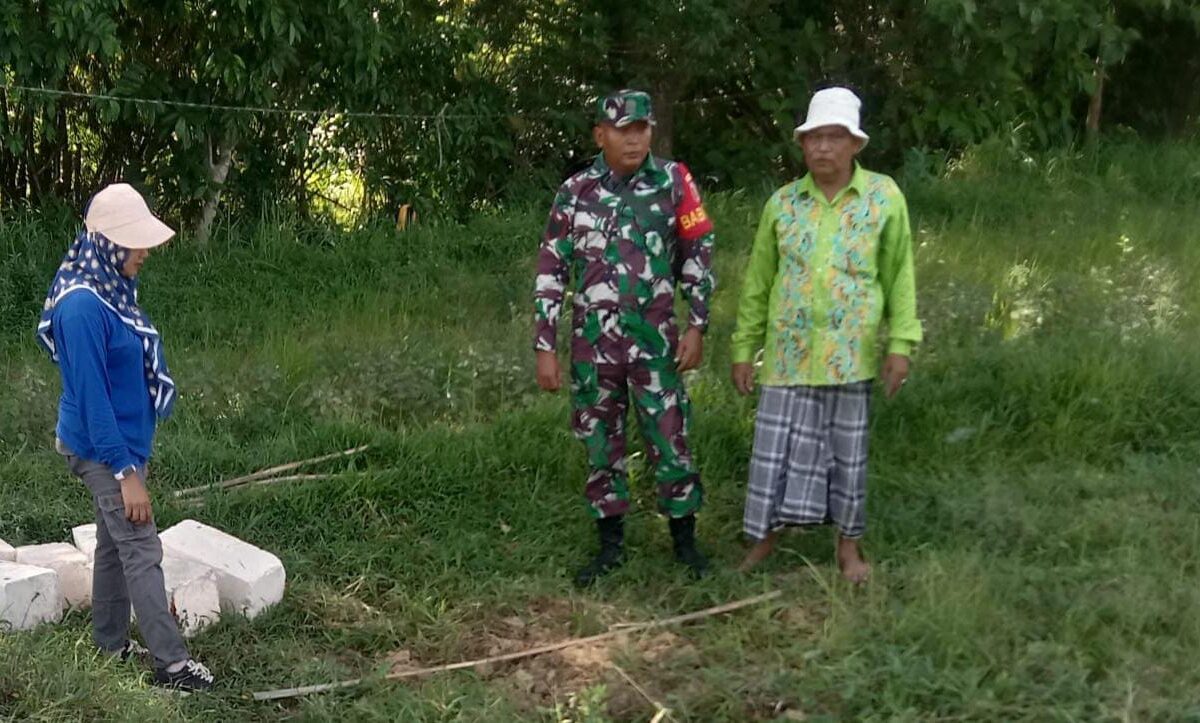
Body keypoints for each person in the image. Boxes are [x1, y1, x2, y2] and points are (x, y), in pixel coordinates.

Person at [730, 87, 922, 582]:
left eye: (834, 137)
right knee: (774, 453)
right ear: (802, 143)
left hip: (849, 356)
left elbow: (899, 274)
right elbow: (758, 281)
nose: (822, 147)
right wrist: (742, 349)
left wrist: (900, 345)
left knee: (847, 456)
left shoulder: (883, 197)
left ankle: (848, 549)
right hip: (787, 354)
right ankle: (765, 539)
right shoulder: (783, 204)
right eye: (814, 136)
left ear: (855, 144)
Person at [35, 183, 215, 692]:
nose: (144, 253)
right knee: (141, 548)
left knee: (115, 548)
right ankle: (173, 668)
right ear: (107, 243)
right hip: (102, 449)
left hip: (123, 445)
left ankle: (110, 645)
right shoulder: (81, 309)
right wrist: (126, 473)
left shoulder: (111, 289)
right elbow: (93, 402)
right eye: (135, 243)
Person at [534, 89, 717, 586]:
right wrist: (544, 344)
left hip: (656, 342)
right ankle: (610, 544)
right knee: (600, 443)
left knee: (670, 438)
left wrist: (698, 323)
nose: (633, 138)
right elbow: (552, 267)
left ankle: (685, 542)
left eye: (641, 129)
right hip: (594, 349)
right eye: (622, 129)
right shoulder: (575, 193)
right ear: (601, 135)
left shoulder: (675, 183)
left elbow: (698, 253)